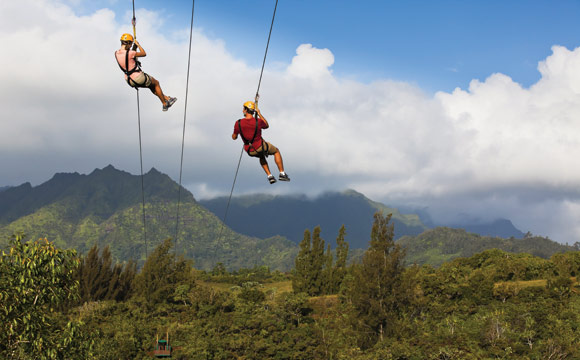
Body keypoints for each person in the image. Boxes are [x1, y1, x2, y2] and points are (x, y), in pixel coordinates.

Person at [115, 33, 177, 112]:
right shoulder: (131, 53)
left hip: (129, 80)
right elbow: (143, 53)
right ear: (127, 43)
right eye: (130, 44)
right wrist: (138, 45)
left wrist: (134, 47)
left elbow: (129, 58)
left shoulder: (116, 53)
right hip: (138, 77)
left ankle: (168, 99)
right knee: (156, 83)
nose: (131, 46)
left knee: (151, 86)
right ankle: (165, 104)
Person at [232, 101, 290, 184]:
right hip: (260, 146)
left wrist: (236, 134)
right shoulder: (258, 121)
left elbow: (234, 137)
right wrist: (259, 114)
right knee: (276, 151)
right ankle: (282, 174)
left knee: (261, 156)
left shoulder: (238, 123)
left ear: (245, 110)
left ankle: (270, 176)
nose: (242, 110)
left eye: (243, 109)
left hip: (250, 151)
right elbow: (266, 125)